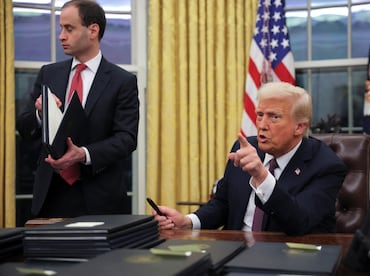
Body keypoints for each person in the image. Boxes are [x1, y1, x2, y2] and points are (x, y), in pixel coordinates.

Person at [153, 82, 347, 235]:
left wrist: (262, 176)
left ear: (299, 127)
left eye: (274, 117)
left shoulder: (325, 165)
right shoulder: (245, 148)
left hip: (288, 258)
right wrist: (188, 222)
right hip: (235, 252)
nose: (262, 125)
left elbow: (299, 223)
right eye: (260, 115)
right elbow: (222, 204)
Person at [16, 0, 139, 218]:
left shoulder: (123, 81)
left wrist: (83, 154)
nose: (61, 36)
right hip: (51, 194)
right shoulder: (48, 74)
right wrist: (39, 113)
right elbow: (25, 128)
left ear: (93, 30)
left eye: (69, 28)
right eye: (61, 28)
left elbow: (127, 139)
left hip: (100, 198)